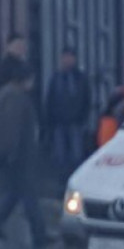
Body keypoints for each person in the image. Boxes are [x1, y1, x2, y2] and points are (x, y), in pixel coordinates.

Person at [0, 65, 54, 249]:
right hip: (19, 155)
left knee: (14, 194)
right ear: (24, 79)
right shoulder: (16, 98)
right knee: (29, 196)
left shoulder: (6, 94)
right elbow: (12, 128)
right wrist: (11, 152)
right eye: (31, 79)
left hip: (14, 154)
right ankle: (39, 236)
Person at [43, 47, 91, 179]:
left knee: (76, 155)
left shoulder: (80, 78)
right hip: (59, 123)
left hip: (76, 122)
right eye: (65, 57)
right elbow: (50, 100)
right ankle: (61, 182)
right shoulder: (56, 78)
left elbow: (86, 99)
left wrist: (83, 118)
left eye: (70, 57)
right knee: (60, 156)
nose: (67, 60)